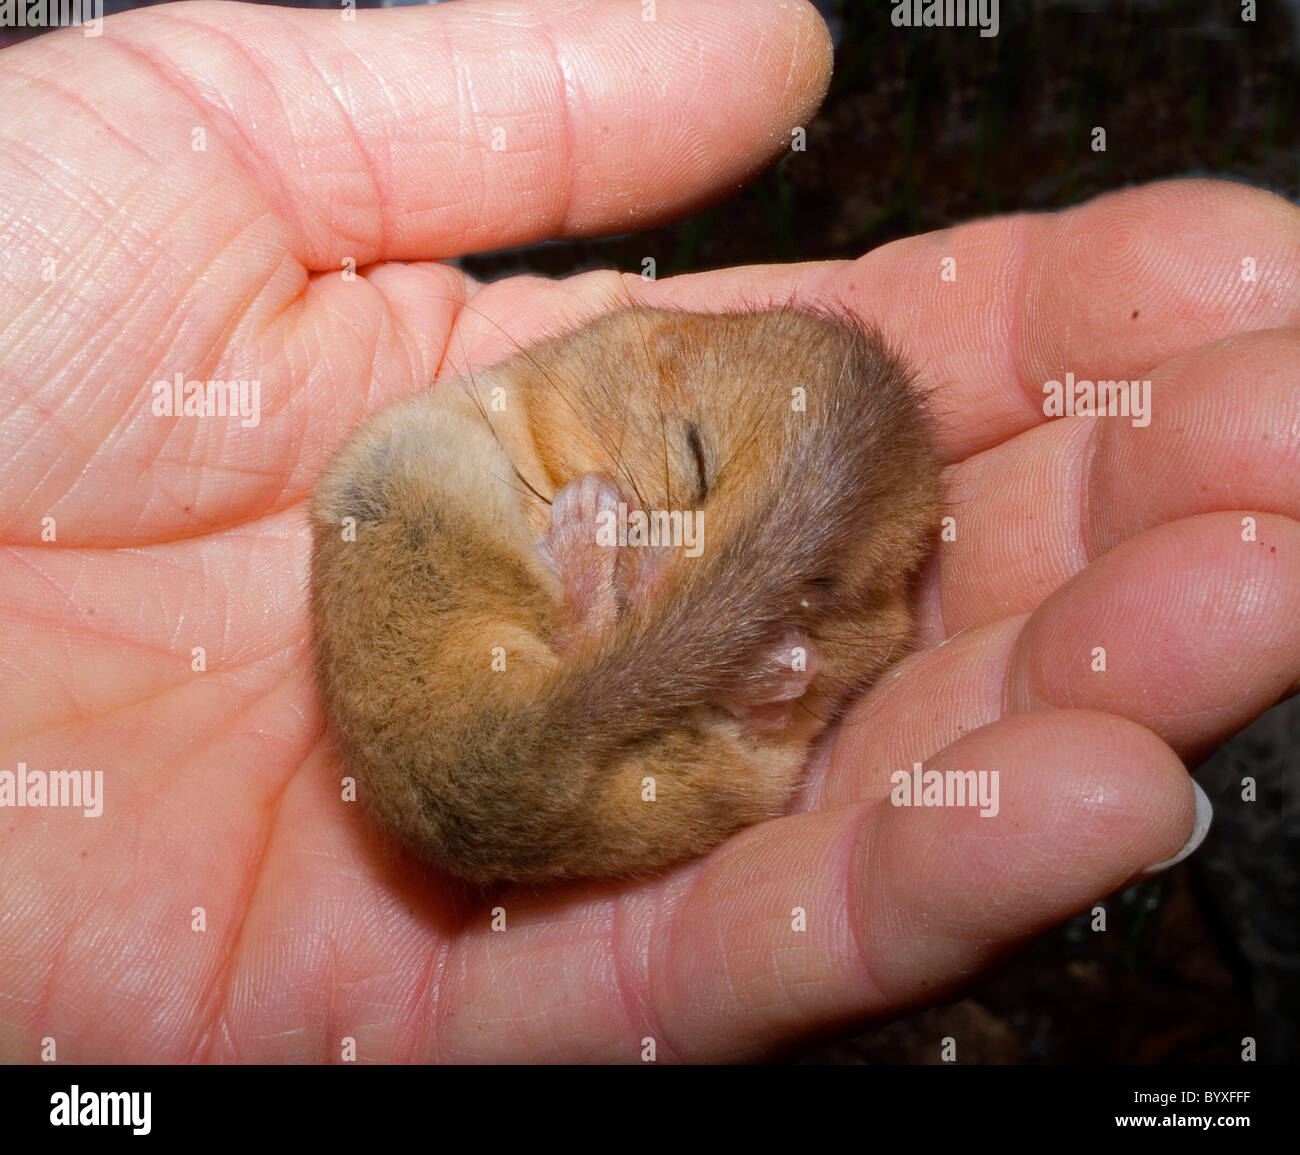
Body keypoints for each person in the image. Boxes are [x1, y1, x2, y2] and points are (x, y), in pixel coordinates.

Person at [0, 0, 1295, 1062]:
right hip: (483, 664)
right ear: (671, 352)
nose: (681, 564)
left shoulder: (838, 593)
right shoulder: (623, 362)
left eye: (790, 572)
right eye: (689, 465)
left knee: (752, 718)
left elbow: (832, 649)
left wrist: (769, 656)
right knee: (396, 493)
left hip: (602, 766)